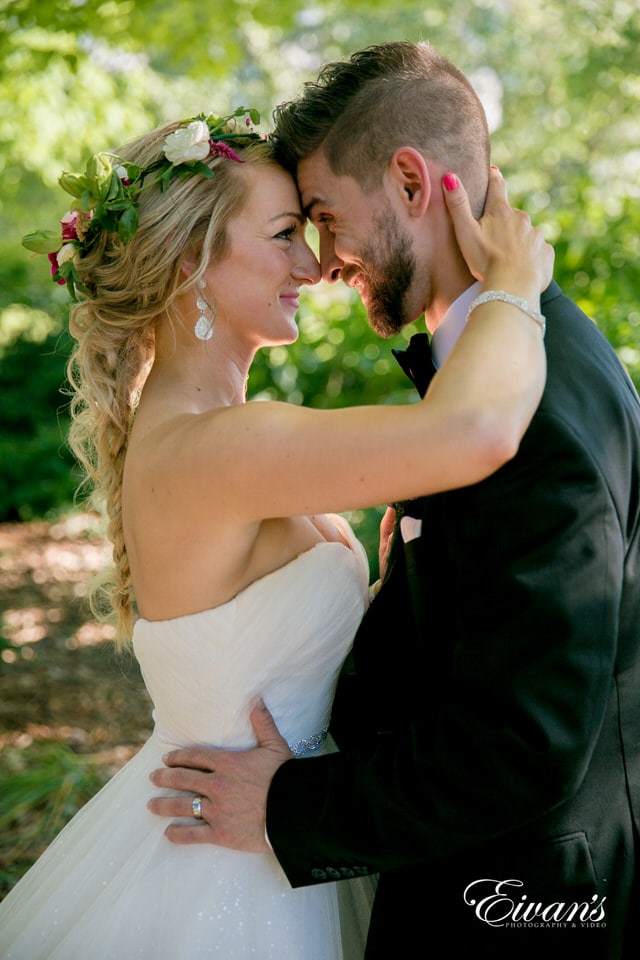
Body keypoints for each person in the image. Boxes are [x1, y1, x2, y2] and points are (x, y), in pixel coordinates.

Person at [0, 101, 551, 957]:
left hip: (275, 833)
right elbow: (475, 433)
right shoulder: (220, 445)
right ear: (192, 265)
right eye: (286, 234)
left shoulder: (211, 429)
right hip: (226, 870)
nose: (318, 263)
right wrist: (515, 291)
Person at [147, 42, 640, 960]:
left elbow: (522, 746)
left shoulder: (534, 414)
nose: (326, 261)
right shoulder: (499, 370)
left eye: (325, 218)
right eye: (294, 231)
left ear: (411, 181)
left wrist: (292, 809)